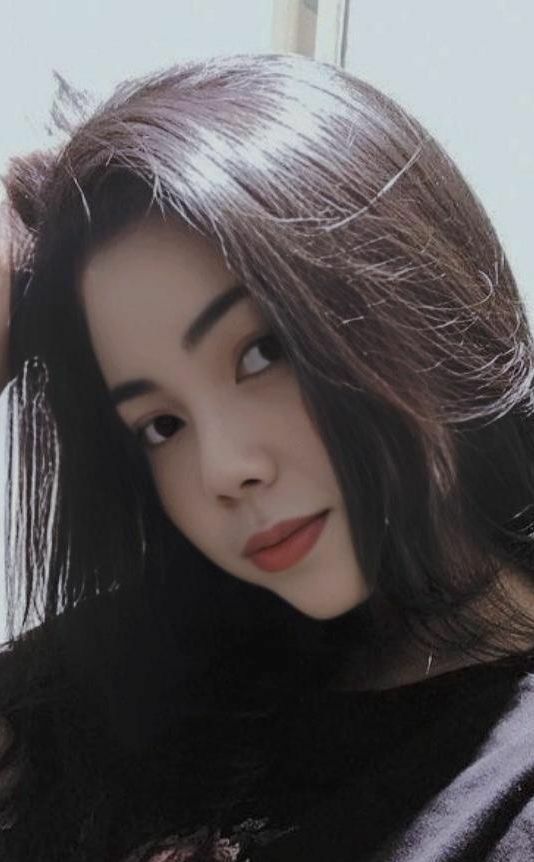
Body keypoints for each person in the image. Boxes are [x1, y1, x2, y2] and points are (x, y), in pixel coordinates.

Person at [1, 51, 534, 861]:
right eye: (160, 425)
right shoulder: (134, 666)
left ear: (423, 295)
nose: (223, 470)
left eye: (262, 353)